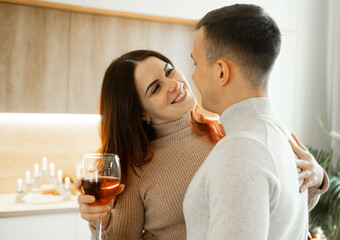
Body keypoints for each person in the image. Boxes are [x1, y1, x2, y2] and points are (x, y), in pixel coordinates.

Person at [76, 50, 328, 240]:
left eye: (169, 71)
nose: (174, 84)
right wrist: (103, 219)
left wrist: (316, 180)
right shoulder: (135, 170)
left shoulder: (229, 130)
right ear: (140, 113)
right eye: (155, 88)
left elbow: (281, 209)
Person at [183, 4, 327, 239]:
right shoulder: (279, 134)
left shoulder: (241, 150)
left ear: (221, 71)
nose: (192, 75)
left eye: (195, 63)